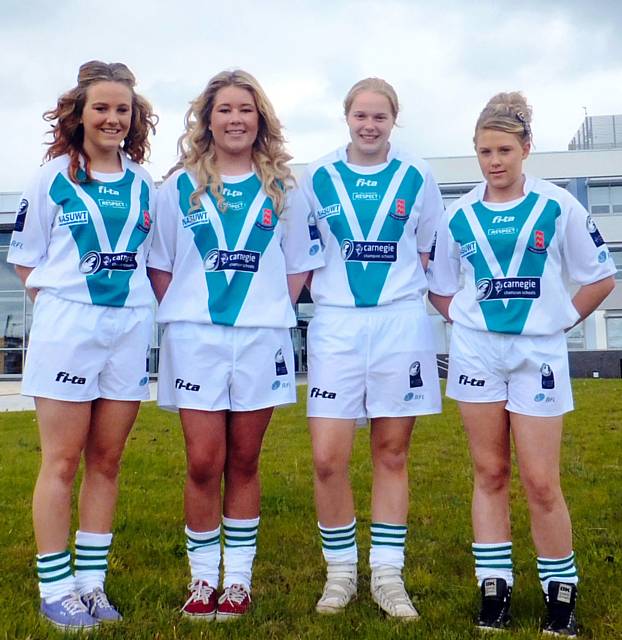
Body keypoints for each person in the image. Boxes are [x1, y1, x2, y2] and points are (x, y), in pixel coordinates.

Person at [427, 92, 616, 636]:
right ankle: (495, 590)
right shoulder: (457, 213)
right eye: (485, 151)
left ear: (526, 148)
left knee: (540, 480)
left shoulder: (559, 206)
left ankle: (562, 595)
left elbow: (601, 277)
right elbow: (439, 288)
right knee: (489, 472)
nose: (495, 161)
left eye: (505, 149)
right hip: (477, 355)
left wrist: (558, 322)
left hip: (538, 356)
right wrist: (466, 322)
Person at [147, 69, 323, 622]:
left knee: (244, 460)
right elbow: (159, 265)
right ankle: (202, 581)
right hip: (195, 338)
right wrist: (188, 311)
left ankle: (238, 581)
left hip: (260, 339)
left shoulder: (285, 188)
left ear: (260, 119)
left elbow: (298, 268)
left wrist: (268, 309)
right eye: (224, 110)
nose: (235, 119)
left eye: (245, 110)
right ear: (208, 119)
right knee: (204, 461)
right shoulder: (176, 187)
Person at [7, 60, 157, 631]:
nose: (113, 118)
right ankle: (55, 587)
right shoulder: (51, 178)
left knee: (108, 460)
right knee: (63, 460)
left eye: (123, 109)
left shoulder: (146, 182)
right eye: (102, 107)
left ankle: (91, 584)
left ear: (134, 117)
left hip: (128, 330)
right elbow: (24, 259)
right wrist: (69, 316)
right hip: (69, 328)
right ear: (79, 113)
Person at [300, 78, 443, 618]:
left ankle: (387, 574)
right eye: (360, 116)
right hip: (336, 324)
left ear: (393, 121)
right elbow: (307, 252)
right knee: (327, 458)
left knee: (391, 452)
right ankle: (340, 575)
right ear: (347, 118)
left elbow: (428, 247)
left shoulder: (416, 173)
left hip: (399, 324)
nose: (369, 125)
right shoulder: (320, 175)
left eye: (379, 117)